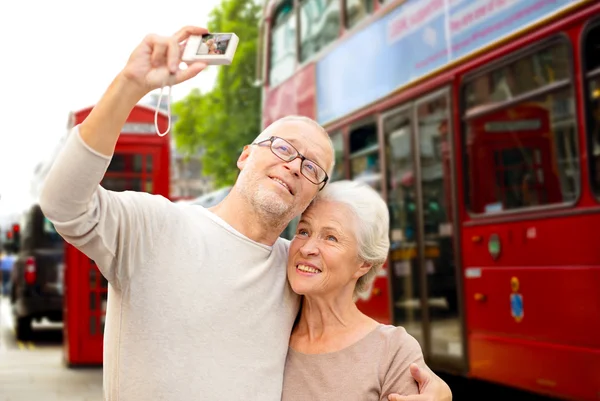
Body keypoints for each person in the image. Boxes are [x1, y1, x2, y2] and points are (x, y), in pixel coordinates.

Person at [39, 26, 451, 400]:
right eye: (283, 147)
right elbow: (63, 203)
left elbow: (352, 338)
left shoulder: (294, 271)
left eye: (311, 167)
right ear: (245, 155)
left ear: (311, 197)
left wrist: (439, 392)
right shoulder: (155, 225)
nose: (293, 165)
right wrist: (130, 86)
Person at [282, 180, 428, 400]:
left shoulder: (393, 351)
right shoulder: (271, 332)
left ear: (363, 264)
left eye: (331, 237)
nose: (307, 248)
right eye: (303, 231)